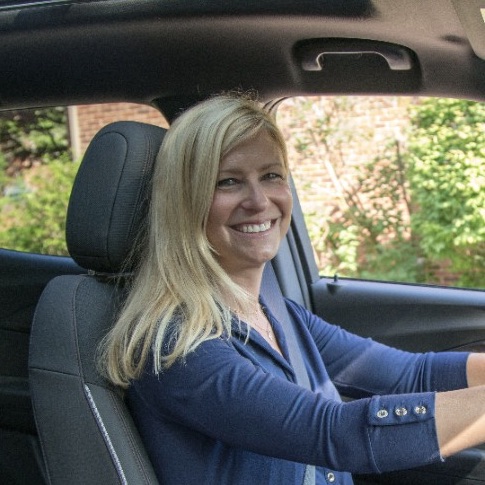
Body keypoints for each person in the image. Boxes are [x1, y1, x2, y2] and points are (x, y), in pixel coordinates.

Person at [100, 93, 485, 485]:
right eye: (228, 181)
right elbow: (337, 434)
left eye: (271, 175)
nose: (259, 200)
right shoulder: (177, 346)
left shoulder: (276, 313)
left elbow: (410, 374)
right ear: (186, 202)